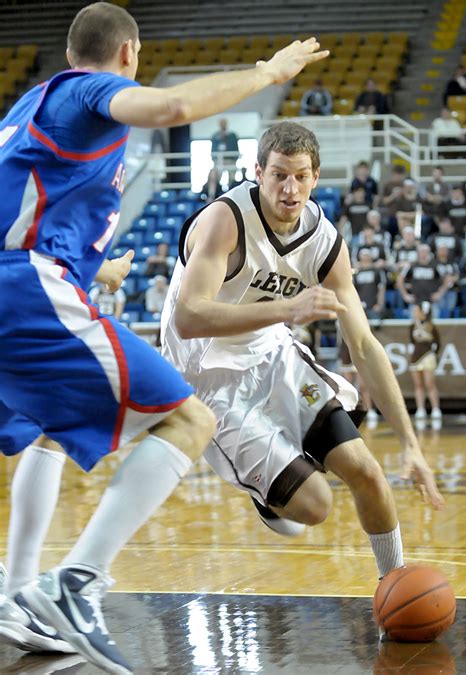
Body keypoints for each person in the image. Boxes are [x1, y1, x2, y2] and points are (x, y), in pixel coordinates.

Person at [0, 2, 330, 671]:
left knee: (44, 428)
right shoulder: (86, 91)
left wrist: (107, 267)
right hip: (23, 288)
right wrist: (271, 71)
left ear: (69, 51)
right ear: (129, 54)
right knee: (189, 419)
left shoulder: (28, 109)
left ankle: (15, 596)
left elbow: (35, 213)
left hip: (25, 284)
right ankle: (76, 581)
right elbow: (173, 109)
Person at [161, 121, 443, 602]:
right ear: (258, 173)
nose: (289, 189)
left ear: (316, 178)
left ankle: (393, 589)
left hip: (273, 355)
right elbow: (189, 318)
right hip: (209, 378)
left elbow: (364, 344)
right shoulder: (225, 220)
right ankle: (269, 493)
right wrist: (288, 310)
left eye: (300, 177)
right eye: (278, 176)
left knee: (368, 472)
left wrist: (411, 443)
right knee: (315, 506)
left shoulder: (325, 242)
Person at [409, 303, 442, 427]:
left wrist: (432, 354)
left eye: (417, 310)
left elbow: (438, 343)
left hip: (428, 357)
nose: (414, 312)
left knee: (430, 384)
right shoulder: (412, 326)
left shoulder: (432, 326)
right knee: (418, 385)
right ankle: (420, 409)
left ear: (424, 312)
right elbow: (412, 341)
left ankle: (435, 409)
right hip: (415, 358)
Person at [397, 244, 450, 318]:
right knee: (415, 326)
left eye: (425, 252)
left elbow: (447, 279)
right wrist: (405, 295)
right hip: (415, 302)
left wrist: (440, 293)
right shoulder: (411, 266)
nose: (423, 254)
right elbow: (400, 279)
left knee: (432, 325)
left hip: (432, 302)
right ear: (418, 253)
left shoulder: (436, 266)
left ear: (429, 253)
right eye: (421, 252)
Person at [211, 118, 240, 182]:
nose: (222, 125)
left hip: (230, 159)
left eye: (224, 123)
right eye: (221, 123)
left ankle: (231, 188)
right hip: (219, 159)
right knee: (215, 175)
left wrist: (235, 158)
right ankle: (217, 191)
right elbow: (213, 148)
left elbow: (236, 147)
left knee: (232, 177)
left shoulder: (232, 135)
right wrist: (214, 159)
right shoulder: (215, 136)